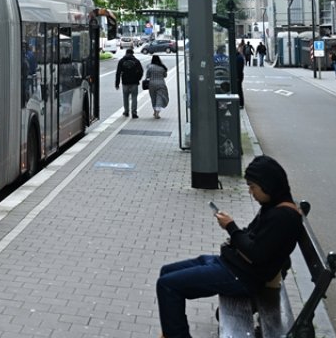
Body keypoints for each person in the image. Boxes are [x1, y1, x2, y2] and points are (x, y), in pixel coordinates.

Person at [156, 156, 304, 338]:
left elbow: (256, 254)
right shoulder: (272, 207)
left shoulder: (283, 218)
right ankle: (172, 331)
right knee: (166, 272)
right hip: (231, 264)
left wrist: (230, 227)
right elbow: (251, 238)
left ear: (268, 185)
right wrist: (233, 234)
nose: (251, 192)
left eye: (253, 187)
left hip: (240, 276)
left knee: (168, 286)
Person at [115, 48, 144, 118]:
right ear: (132, 53)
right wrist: (138, 79)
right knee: (134, 97)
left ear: (126, 53)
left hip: (125, 82)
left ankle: (126, 112)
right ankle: (134, 113)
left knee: (125, 97)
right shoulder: (136, 61)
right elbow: (141, 71)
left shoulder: (121, 61)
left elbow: (118, 73)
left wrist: (117, 83)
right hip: (134, 82)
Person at [145, 54, 169, 119]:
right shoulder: (162, 67)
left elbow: (147, 76)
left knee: (153, 98)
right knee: (160, 98)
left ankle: (155, 111)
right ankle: (157, 113)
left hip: (152, 84)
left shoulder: (150, 67)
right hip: (161, 84)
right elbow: (165, 75)